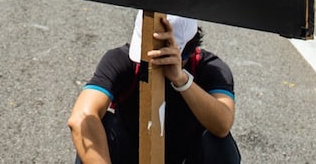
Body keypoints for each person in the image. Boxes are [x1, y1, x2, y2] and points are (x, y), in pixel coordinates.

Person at [67, 12, 238, 164]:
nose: (149, 61)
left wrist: (181, 80)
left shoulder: (211, 68)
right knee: (92, 125)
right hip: (130, 154)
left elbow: (222, 125)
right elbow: (80, 117)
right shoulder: (121, 60)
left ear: (186, 51)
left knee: (218, 141)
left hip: (185, 156)